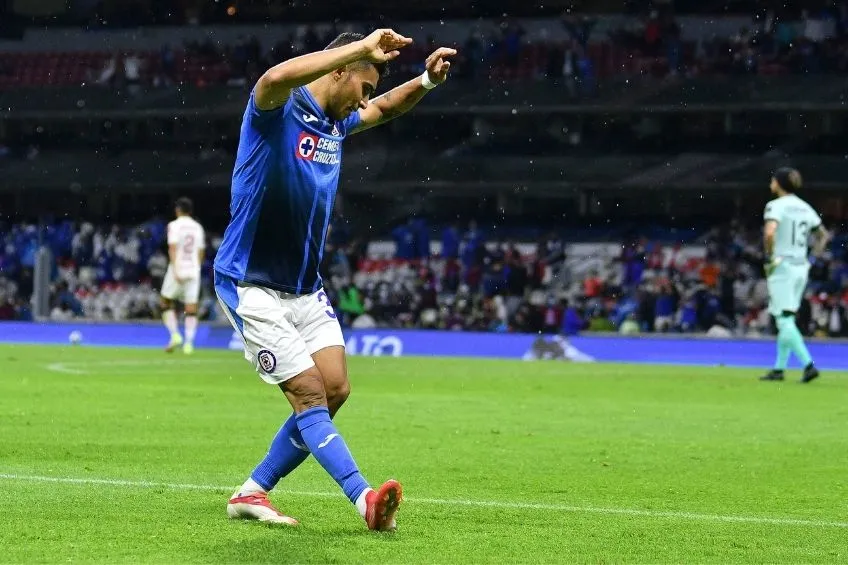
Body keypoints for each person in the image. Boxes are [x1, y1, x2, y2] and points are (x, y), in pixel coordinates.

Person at [213, 29, 456, 530]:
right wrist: (359, 49)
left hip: (304, 286)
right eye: (363, 85)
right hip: (251, 281)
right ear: (338, 69)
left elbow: (385, 109)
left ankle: (251, 492)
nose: (365, 99)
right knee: (307, 392)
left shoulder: (334, 124)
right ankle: (365, 499)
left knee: (335, 388)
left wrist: (426, 82)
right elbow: (272, 76)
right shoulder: (276, 110)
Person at [760, 168, 831, 383]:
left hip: (782, 265)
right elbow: (823, 235)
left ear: (778, 183)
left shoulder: (775, 206)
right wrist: (813, 257)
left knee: (783, 320)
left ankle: (808, 365)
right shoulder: (804, 207)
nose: (771, 182)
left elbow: (770, 231)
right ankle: (779, 368)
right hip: (801, 266)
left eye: (773, 179)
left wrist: (770, 254)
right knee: (788, 316)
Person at [160, 197, 205, 354]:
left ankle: (175, 335)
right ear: (190, 211)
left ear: (177, 210)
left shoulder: (174, 225)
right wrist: (196, 267)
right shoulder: (198, 227)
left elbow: (172, 248)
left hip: (177, 268)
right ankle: (189, 344)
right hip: (193, 269)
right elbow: (200, 251)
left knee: (165, 302)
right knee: (191, 307)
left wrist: (175, 268)